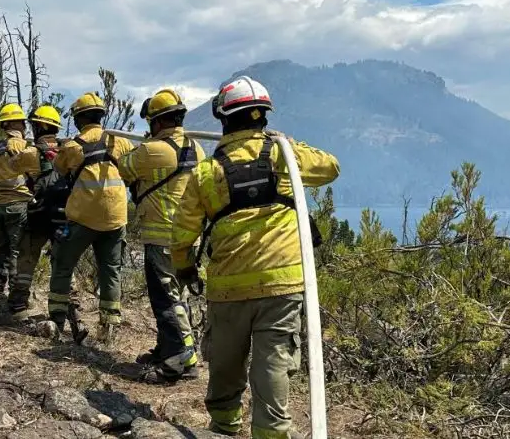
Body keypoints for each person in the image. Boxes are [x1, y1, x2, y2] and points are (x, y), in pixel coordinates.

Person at [170, 76, 340, 438]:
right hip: (283, 284)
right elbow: (330, 167)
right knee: (273, 364)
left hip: (228, 287)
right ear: (263, 116)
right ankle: (272, 432)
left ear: (223, 119)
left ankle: (224, 426)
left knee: (226, 361)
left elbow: (182, 233)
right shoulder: (284, 156)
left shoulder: (206, 172)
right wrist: (290, 145)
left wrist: (184, 270)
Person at [118, 88, 204, 383]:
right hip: (189, 238)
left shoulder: (151, 150)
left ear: (156, 122)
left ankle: (175, 363)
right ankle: (179, 351)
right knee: (178, 298)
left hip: (161, 237)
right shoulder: (197, 148)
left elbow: (123, 167)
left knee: (165, 300)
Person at [47, 92, 134, 345]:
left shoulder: (74, 146)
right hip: (116, 217)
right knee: (110, 271)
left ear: (79, 119)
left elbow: (59, 170)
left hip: (83, 218)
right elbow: (130, 170)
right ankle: (108, 328)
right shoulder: (119, 141)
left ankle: (57, 320)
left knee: (63, 264)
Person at [7, 105, 76, 324]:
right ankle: (70, 308)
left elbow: (11, 166)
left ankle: (18, 302)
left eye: (34, 125)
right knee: (63, 262)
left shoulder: (31, 153)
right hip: (63, 215)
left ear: (40, 126)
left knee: (27, 257)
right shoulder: (70, 150)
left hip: (38, 213)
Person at [0, 103, 41, 301]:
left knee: (1, 250)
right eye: (23, 123)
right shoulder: (24, 147)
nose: (25, 127)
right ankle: (16, 297)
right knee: (17, 251)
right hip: (17, 205)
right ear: (18, 124)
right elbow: (37, 175)